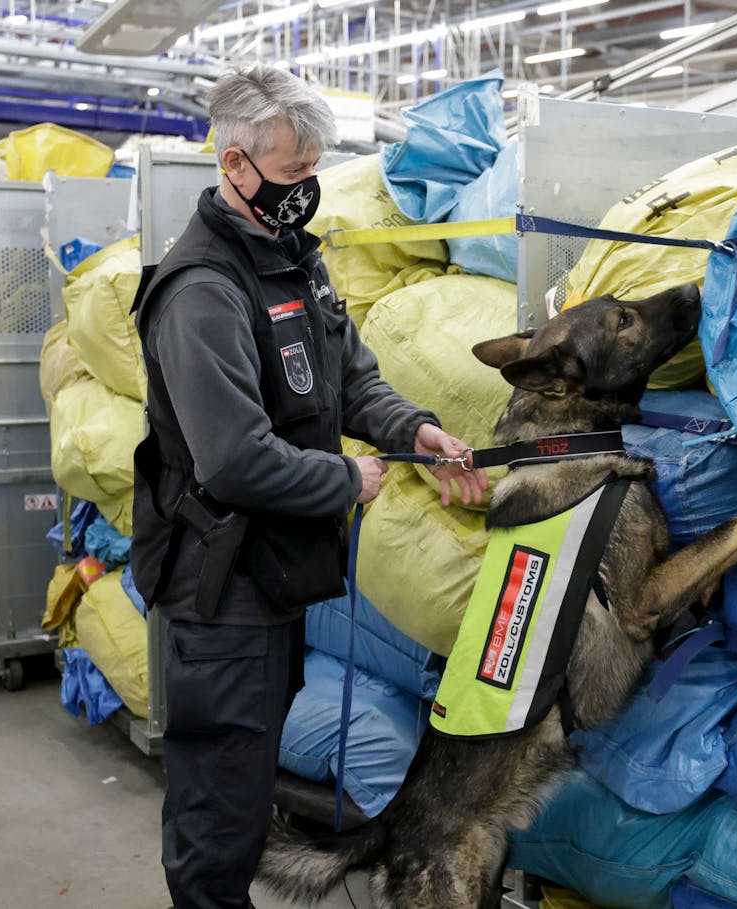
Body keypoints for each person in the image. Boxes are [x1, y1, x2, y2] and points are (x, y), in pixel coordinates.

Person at [130, 64, 488, 909]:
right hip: (221, 594)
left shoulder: (293, 263)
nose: (306, 192)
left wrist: (414, 432)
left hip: (275, 579)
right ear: (234, 165)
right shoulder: (202, 291)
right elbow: (233, 458)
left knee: (246, 796)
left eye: (312, 172)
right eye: (292, 175)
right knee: (219, 822)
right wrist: (345, 479)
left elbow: (350, 378)